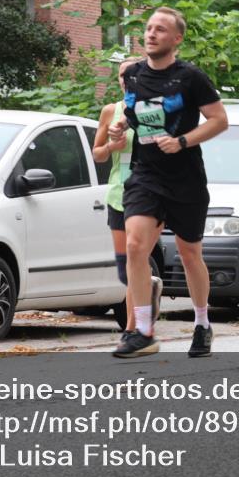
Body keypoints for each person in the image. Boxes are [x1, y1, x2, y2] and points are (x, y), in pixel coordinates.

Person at [110, 7, 228, 358]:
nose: (151, 34)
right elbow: (134, 112)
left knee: (189, 253)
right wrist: (121, 127)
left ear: (176, 39)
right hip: (146, 175)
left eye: (160, 29)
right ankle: (143, 330)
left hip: (185, 178)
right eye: (148, 28)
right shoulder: (133, 74)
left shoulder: (190, 77)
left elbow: (219, 120)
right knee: (135, 246)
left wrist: (182, 141)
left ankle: (202, 323)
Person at [92, 56, 163, 340]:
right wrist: (112, 146)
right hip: (118, 193)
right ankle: (149, 287)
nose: (126, 79)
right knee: (126, 269)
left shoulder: (154, 109)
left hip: (148, 193)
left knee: (138, 258)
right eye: (122, 75)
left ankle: (133, 329)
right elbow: (97, 154)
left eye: (132, 74)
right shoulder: (110, 111)